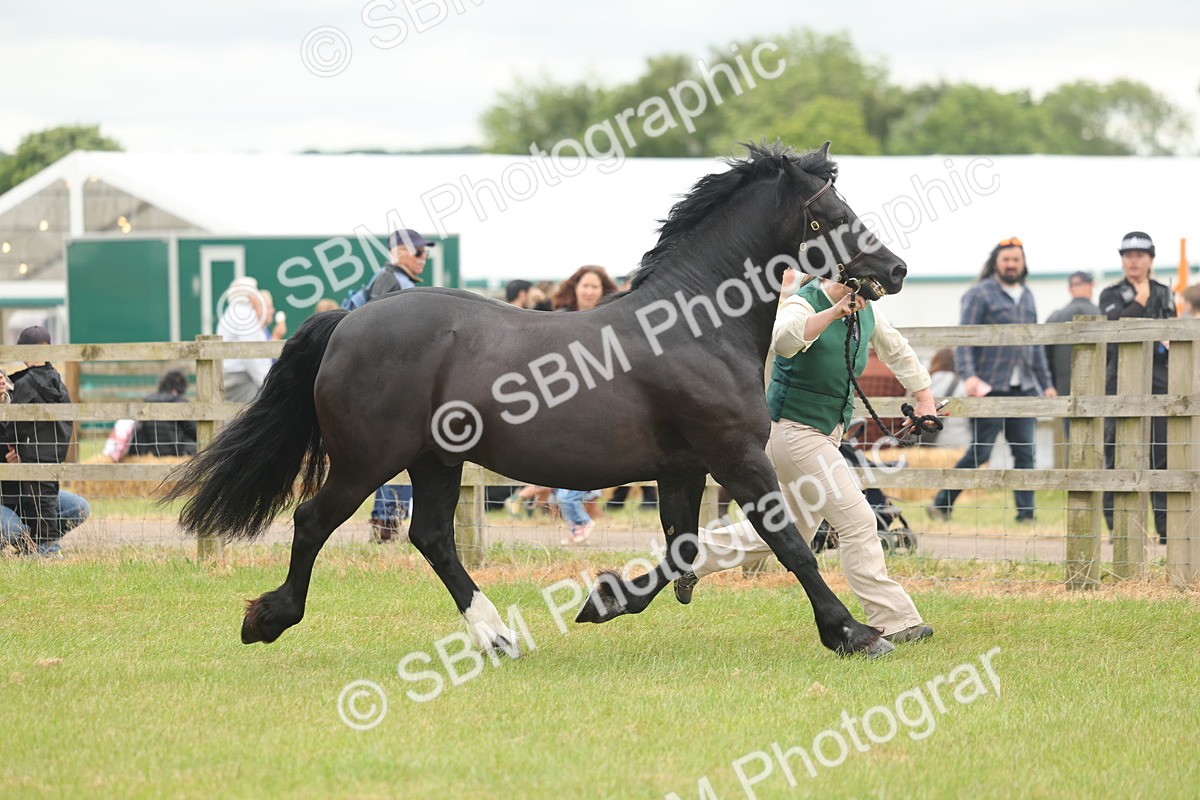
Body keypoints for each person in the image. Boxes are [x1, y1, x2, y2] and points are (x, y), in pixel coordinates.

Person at [670, 277, 938, 644]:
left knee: (788, 530)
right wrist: (832, 313)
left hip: (825, 433)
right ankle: (895, 619)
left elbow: (898, 352)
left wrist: (924, 398)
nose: (869, 288)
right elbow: (784, 341)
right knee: (858, 521)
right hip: (794, 433)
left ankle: (691, 556)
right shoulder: (802, 302)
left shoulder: (866, 311)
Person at [929, 237, 1056, 523]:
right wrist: (970, 376)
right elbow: (965, 339)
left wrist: (1045, 383)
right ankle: (942, 503)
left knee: (1025, 453)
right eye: (1006, 260)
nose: (1011, 265)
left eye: (1016, 260)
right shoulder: (980, 293)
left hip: (1023, 388)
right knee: (981, 452)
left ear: (1023, 264)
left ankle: (1026, 515)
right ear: (996, 262)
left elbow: (1035, 345)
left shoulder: (1027, 295)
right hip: (989, 386)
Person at [1099, 232, 1174, 543]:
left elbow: (1172, 333)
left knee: (1162, 455)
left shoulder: (1164, 292)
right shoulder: (1110, 292)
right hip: (1118, 385)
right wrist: (1141, 301)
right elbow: (1116, 326)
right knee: (1116, 455)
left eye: (1140, 255)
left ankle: (1167, 531)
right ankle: (1119, 529)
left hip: (1158, 384)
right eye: (1127, 254)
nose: (1133, 260)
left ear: (1151, 259)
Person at [368, 229, 437, 543]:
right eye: (418, 253)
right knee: (395, 451)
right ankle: (386, 521)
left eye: (425, 253)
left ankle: (390, 520)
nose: (423, 259)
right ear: (397, 252)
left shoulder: (397, 281)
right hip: (392, 384)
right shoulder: (389, 281)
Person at [0, 326, 88, 556]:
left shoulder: (22, 389)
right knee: (12, 528)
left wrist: (23, 455)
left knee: (79, 507)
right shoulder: (51, 384)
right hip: (5, 496)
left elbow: (17, 430)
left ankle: (38, 545)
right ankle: (38, 543)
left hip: (30, 484)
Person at [1044, 271, 1101, 397]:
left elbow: (1045, 355)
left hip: (1062, 388)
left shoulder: (1055, 316)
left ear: (1070, 289)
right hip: (1097, 387)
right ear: (1091, 285)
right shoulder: (1100, 313)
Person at [218, 277, 272, 403]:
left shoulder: (232, 313)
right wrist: (265, 382)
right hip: (243, 379)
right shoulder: (245, 315)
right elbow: (251, 355)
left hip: (233, 377)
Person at [128, 369, 197, 457]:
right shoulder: (180, 403)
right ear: (177, 390)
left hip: (154, 451)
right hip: (179, 451)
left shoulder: (147, 401)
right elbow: (193, 430)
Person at [551, 266, 618, 311]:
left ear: (603, 289)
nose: (589, 292)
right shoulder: (561, 316)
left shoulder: (609, 319)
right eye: (585, 286)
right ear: (575, 287)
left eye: (594, 287)